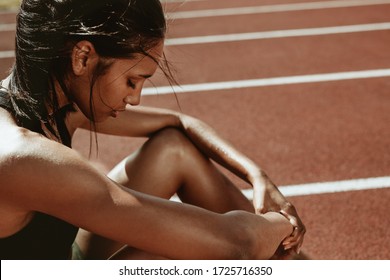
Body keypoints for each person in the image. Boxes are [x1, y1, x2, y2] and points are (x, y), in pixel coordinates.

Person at [0, 0, 305, 260]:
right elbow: (237, 245)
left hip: (63, 257)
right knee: (189, 250)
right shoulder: (22, 156)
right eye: (132, 81)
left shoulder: (49, 103)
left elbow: (179, 123)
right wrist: (284, 224)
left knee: (173, 149)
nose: (134, 98)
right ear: (82, 57)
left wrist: (256, 176)